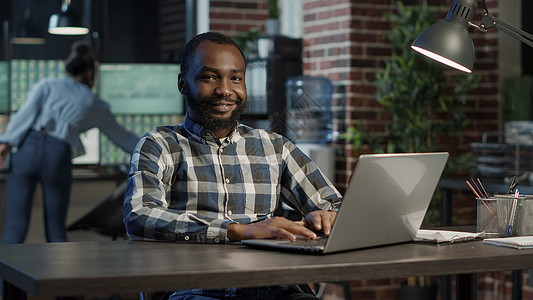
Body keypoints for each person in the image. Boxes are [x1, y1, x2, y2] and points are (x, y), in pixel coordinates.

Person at [123, 32, 342, 300]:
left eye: (235, 78)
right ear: (183, 83)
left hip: (274, 288)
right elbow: (139, 216)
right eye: (210, 77)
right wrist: (237, 231)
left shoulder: (274, 146)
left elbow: (336, 206)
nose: (225, 90)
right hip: (194, 290)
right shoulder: (159, 144)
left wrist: (329, 217)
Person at [0, 41, 139, 244]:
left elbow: (24, 116)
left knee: (15, 227)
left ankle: (5, 277)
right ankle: (57, 275)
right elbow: (123, 137)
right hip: (57, 154)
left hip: (27, 150)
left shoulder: (46, 85)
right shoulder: (93, 103)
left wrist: (4, 144)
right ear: (90, 73)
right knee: (56, 231)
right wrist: (152, 150)